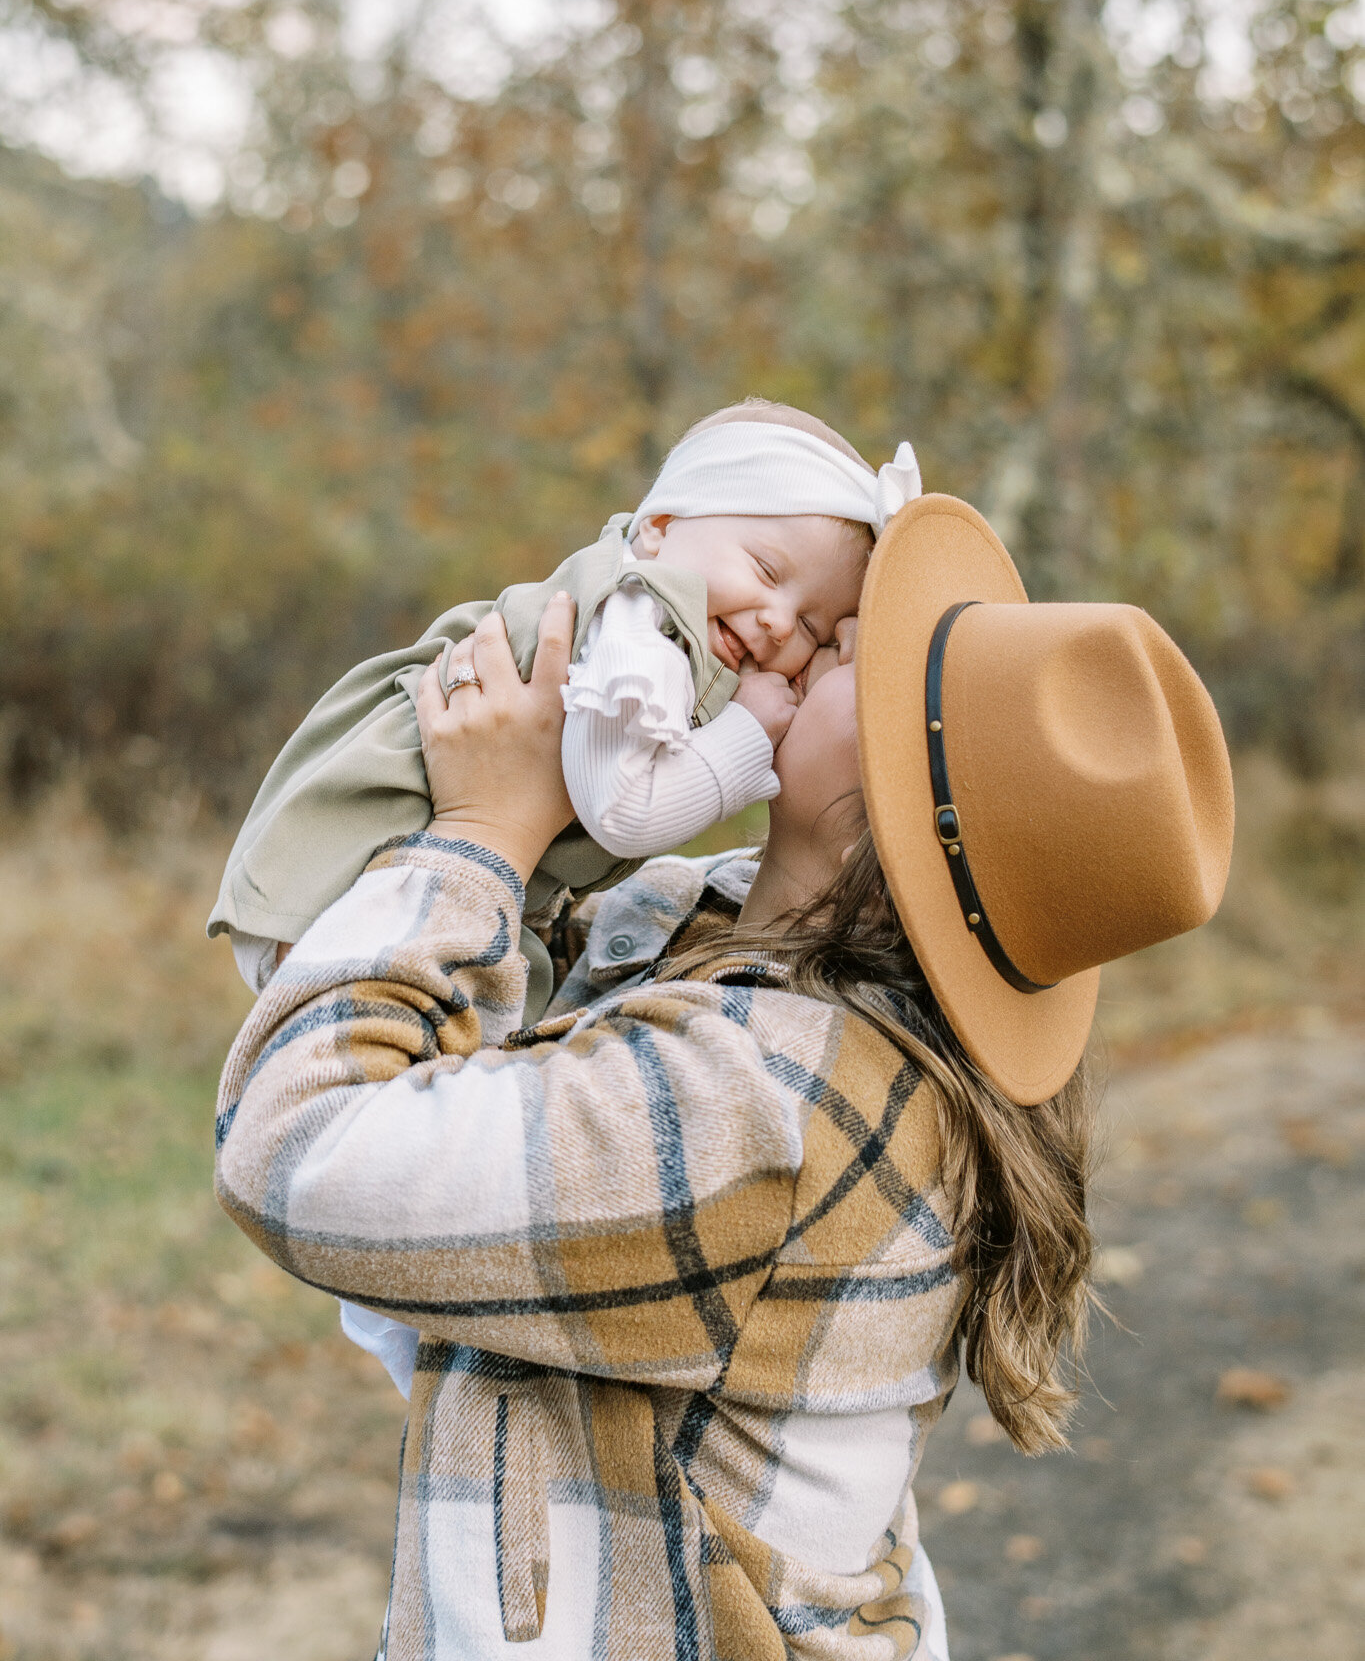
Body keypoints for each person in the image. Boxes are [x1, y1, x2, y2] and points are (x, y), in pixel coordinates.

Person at [214, 494, 1234, 1661]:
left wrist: (482, 838)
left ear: (879, 809)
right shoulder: (703, 922)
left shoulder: (763, 1104)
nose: (822, 634)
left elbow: (297, 1148)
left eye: (859, 651)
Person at [207, 400, 921, 1018]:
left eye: (811, 629)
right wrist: (744, 739)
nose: (775, 623)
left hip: (403, 879)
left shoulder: (668, 626)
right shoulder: (640, 626)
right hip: (362, 869)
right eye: (767, 572)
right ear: (659, 527)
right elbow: (621, 809)